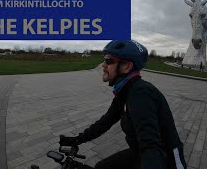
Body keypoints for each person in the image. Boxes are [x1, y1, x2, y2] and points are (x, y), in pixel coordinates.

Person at [59, 40, 187, 169]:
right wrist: (77, 139)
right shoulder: (125, 90)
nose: (103, 65)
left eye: (109, 60)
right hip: (139, 152)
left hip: (163, 159)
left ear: (126, 67)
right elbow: (106, 121)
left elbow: (151, 145)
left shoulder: (140, 94)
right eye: (104, 59)